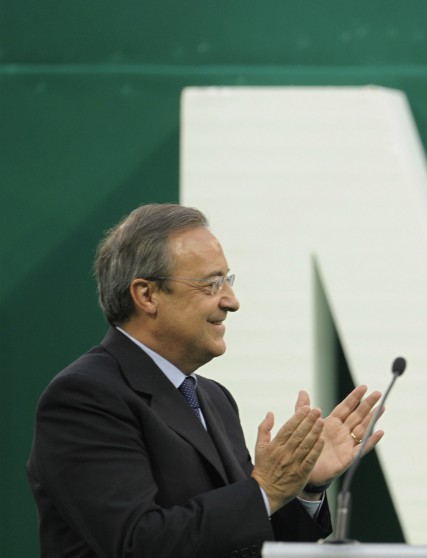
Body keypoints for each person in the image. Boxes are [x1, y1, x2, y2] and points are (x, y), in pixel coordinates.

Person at [27, 204, 385, 557]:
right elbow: (137, 543)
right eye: (212, 284)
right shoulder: (85, 396)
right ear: (147, 295)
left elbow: (247, 541)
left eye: (228, 281)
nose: (232, 301)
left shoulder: (213, 398)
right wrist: (266, 490)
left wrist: (304, 487)